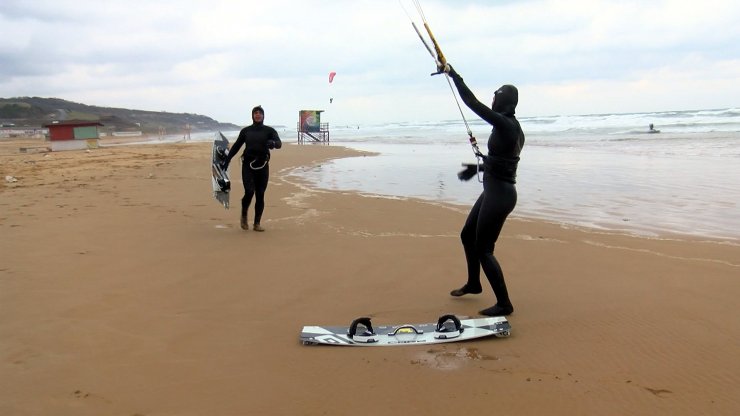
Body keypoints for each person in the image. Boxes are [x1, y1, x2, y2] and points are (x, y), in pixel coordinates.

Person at [440, 63, 525, 317]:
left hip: (500, 195)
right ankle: (474, 283)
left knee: (484, 248)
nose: (493, 100)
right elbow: (502, 164)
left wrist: (454, 75)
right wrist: (475, 168)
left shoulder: (507, 126)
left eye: (496, 96)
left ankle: (504, 303)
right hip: (495, 189)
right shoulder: (508, 127)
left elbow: (472, 103)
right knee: (468, 235)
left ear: (504, 101)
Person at [222, 105, 282, 231]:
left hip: (263, 166)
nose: (258, 114)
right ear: (252, 115)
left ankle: (257, 223)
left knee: (260, 194)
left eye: (260, 113)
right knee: (249, 191)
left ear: (263, 116)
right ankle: (244, 214)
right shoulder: (246, 131)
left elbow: (279, 143)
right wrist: (227, 160)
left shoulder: (269, 131)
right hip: (248, 165)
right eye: (255, 113)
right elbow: (237, 146)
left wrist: (273, 143)